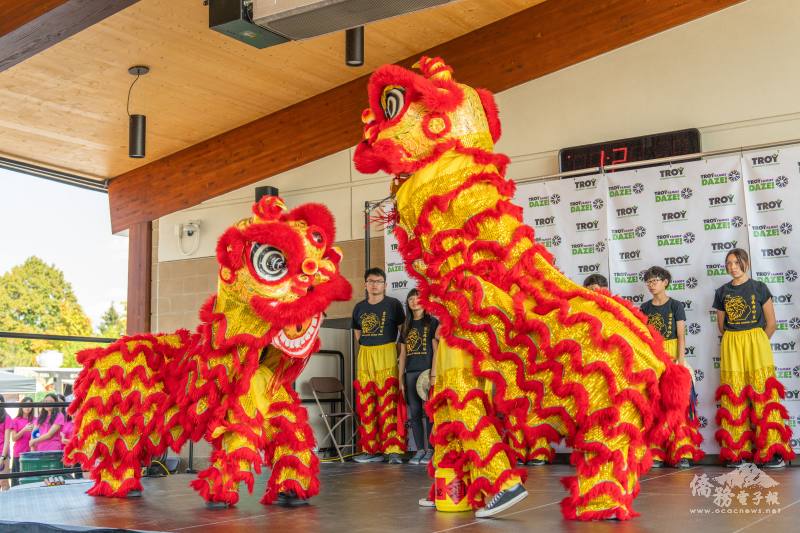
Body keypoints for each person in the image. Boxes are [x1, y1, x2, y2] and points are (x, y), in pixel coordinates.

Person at [713, 248, 794, 468]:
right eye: (728, 263)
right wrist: (737, 339)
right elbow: (721, 325)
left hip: (756, 341)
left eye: (736, 262)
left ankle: (772, 452)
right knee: (734, 394)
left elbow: (772, 323)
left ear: (745, 262)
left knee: (763, 393)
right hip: (732, 342)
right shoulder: (721, 292)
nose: (732, 267)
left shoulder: (759, 287)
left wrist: (758, 342)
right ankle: (737, 452)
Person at [640, 266, 702, 468]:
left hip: (673, 355)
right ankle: (656, 453)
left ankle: (682, 452)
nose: (651, 284)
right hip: (654, 357)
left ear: (665, 281)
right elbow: (644, 338)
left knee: (678, 405)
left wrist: (680, 362)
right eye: (648, 281)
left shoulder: (676, 305)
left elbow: (681, 335)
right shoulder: (645, 308)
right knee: (656, 406)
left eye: (655, 280)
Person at [352, 267, 406, 464]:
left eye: (378, 281)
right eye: (371, 281)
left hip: (387, 353)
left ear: (385, 284)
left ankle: (393, 449)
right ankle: (370, 449)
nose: (374, 284)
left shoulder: (393, 305)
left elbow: (404, 333)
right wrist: (369, 348)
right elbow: (358, 334)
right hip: (366, 355)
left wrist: (399, 355)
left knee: (388, 401)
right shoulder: (359, 307)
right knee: (367, 401)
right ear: (365, 284)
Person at [398, 289, 439, 465]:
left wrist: (434, 373)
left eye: (418, 298)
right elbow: (403, 355)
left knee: (429, 413)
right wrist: (400, 378)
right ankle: (419, 450)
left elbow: (436, 351)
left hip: (427, 373)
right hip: (411, 373)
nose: (414, 301)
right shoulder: (406, 325)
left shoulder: (432, 322)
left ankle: (431, 449)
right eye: (411, 299)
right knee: (414, 413)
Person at [10, 396, 34, 487]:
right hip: (19, 453)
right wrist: (24, 430)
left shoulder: (35, 419)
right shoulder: (15, 420)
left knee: (30, 480)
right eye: (25, 405)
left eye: (30, 405)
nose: (28, 407)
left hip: (32, 453)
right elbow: (13, 438)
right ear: (21, 406)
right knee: (17, 481)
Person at [0, 395, 11, 491]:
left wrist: (2, 457)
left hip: (3, 453)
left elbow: (7, 440)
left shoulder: (6, 418)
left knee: (3, 481)